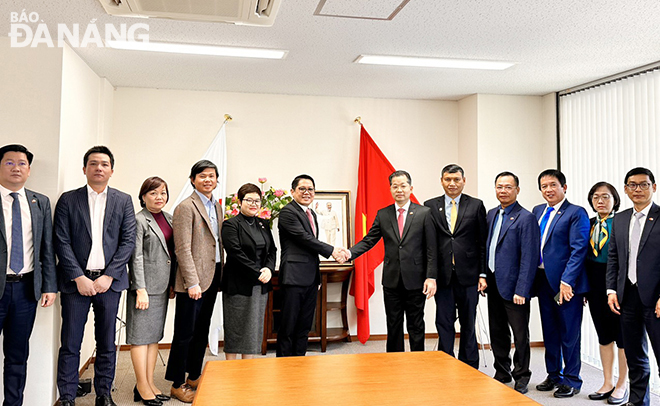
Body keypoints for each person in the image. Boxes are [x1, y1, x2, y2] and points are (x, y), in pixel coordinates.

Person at [54, 146, 137, 406]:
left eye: (104, 164)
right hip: (75, 284)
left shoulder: (123, 200)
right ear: (84, 169)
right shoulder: (68, 199)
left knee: (106, 342)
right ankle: (67, 397)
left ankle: (104, 394)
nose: (98, 168)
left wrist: (109, 276)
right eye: (93, 164)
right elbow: (61, 241)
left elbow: (128, 241)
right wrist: (79, 277)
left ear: (111, 170)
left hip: (108, 285)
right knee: (70, 343)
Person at [348, 170, 437, 352]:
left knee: (416, 325)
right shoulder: (383, 215)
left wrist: (431, 277)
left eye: (403, 186)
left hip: (416, 280)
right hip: (391, 280)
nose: (399, 190)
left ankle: (419, 361)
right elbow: (369, 240)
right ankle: (394, 363)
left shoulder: (424, 213)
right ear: (390, 189)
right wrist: (349, 253)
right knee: (393, 324)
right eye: (395, 186)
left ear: (410, 188)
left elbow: (431, 249)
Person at [0, 144, 57, 406]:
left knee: (17, 355)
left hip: (25, 291)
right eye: (9, 162)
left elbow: (47, 248)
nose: (16, 168)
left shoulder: (39, 202)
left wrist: (49, 286)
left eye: (21, 163)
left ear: (29, 170)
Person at [165, 160, 223, 403]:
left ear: (216, 180)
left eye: (211, 176)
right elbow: (182, 249)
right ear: (193, 179)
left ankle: (194, 375)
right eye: (202, 176)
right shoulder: (185, 207)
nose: (207, 179)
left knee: (201, 330)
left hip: (214, 275)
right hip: (193, 281)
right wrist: (191, 282)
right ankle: (177, 383)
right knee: (184, 333)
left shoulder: (217, 207)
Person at [532, 169, 589, 398]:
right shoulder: (537, 211)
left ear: (564, 187)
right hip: (543, 281)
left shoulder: (576, 212)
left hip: (566, 284)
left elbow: (579, 249)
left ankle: (572, 379)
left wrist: (568, 281)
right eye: (544, 186)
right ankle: (553, 374)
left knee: (569, 332)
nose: (548, 190)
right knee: (550, 331)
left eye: (553, 185)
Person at [424, 164, 487, 368]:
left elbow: (482, 242)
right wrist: (430, 275)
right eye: (448, 179)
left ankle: (469, 366)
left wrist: (482, 273)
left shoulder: (476, 205)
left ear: (464, 181)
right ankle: (446, 364)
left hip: (469, 275)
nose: (452, 183)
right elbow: (429, 244)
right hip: (443, 276)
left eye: (456, 179)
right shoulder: (430, 206)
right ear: (441, 180)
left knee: (468, 323)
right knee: (443, 322)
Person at [607, 167, 660, 406]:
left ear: (654, 187)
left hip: (656, 298)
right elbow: (614, 257)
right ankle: (638, 402)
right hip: (627, 296)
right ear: (626, 189)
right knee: (635, 357)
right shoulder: (619, 218)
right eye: (632, 185)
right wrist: (611, 290)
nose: (638, 189)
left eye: (644, 184)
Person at [277, 174, 345, 357]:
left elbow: (311, 245)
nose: (307, 192)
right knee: (288, 327)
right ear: (292, 192)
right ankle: (284, 367)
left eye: (311, 189)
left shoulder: (311, 213)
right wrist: (332, 250)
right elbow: (304, 239)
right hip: (293, 278)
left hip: (310, 277)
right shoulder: (287, 212)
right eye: (302, 189)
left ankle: (299, 365)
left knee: (304, 326)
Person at [484, 172, 539, 394]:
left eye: (508, 187)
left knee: (520, 334)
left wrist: (522, 289)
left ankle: (522, 376)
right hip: (493, 284)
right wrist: (483, 277)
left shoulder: (526, 218)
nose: (503, 191)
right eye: (499, 187)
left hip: (515, 288)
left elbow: (530, 257)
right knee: (497, 331)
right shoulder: (491, 214)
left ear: (517, 190)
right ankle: (502, 371)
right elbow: (486, 248)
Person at [128, 177, 176, 406]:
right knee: (140, 338)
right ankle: (141, 385)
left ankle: (149, 383)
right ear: (144, 196)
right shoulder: (139, 220)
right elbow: (135, 256)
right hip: (145, 288)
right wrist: (140, 289)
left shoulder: (169, 218)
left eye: (163, 193)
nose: (159, 197)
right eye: (154, 193)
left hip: (162, 286)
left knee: (154, 336)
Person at [585, 182, 628, 404]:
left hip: (619, 286)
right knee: (603, 335)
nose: (600, 201)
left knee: (622, 337)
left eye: (606, 197)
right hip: (594, 285)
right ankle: (607, 382)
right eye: (596, 197)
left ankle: (622, 384)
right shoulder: (590, 224)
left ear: (615, 199)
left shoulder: (622, 222)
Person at [221, 183, 275, 359]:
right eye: (249, 200)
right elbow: (236, 254)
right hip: (239, 284)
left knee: (253, 330)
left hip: (260, 284)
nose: (253, 204)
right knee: (236, 329)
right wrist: (257, 272)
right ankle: (231, 371)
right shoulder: (231, 225)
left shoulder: (263, 224)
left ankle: (247, 373)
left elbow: (272, 250)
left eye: (257, 200)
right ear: (240, 201)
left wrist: (268, 268)